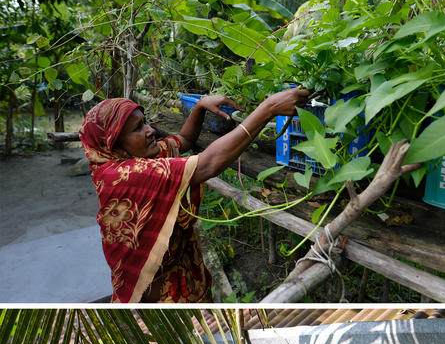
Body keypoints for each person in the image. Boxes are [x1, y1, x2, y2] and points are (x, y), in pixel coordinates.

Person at [79, 87, 310, 303]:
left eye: (145, 122)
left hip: (178, 269)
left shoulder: (136, 158)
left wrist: (199, 107)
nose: (150, 131)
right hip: (154, 292)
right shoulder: (123, 175)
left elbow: (184, 141)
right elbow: (208, 164)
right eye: (137, 128)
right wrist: (268, 109)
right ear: (113, 143)